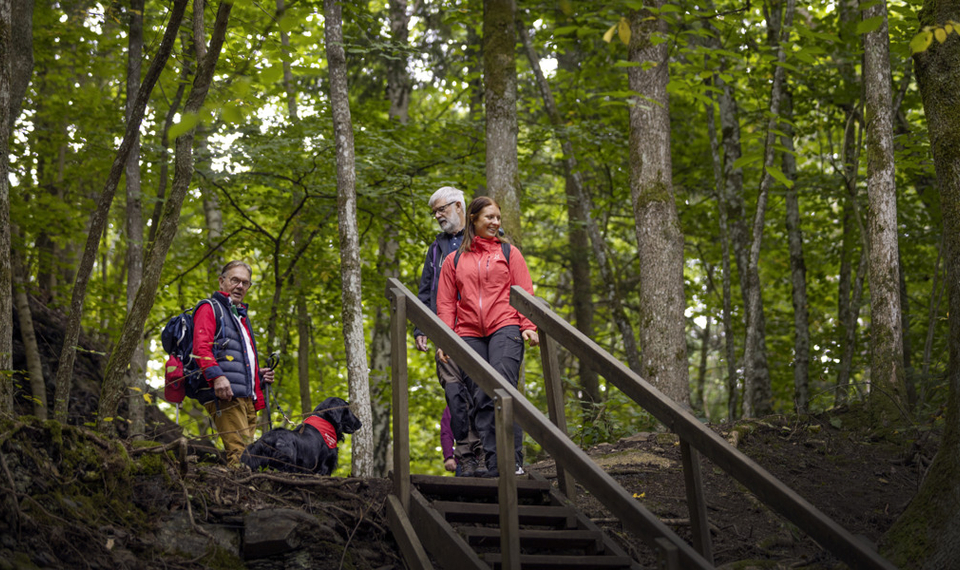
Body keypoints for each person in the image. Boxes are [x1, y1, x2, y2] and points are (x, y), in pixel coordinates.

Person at [436, 196, 539, 478]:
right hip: (468, 332)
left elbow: (524, 291)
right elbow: (445, 304)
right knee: (481, 396)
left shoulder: (509, 253)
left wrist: (528, 324)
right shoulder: (453, 260)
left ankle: (512, 461)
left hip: (504, 325)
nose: (495, 223)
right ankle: (494, 464)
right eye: (489, 217)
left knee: (502, 389)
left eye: (497, 217)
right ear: (473, 219)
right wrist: (445, 339)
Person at [414, 186, 486, 477]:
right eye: (434, 212)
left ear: (458, 206)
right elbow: (425, 291)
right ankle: (466, 457)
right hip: (446, 334)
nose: (437, 216)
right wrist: (422, 327)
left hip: (480, 332)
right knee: (455, 397)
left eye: (441, 209)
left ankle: (485, 457)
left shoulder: (482, 238)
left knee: (480, 395)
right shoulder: (436, 248)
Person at [193, 260, 276, 467]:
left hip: (247, 397)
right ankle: (243, 497)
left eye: (245, 283)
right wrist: (218, 377)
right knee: (240, 455)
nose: (240, 286)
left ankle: (244, 495)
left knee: (248, 455)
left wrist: (259, 376)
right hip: (225, 394)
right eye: (235, 280)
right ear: (222, 282)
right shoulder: (209, 308)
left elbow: (240, 361)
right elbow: (201, 348)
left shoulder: (241, 317)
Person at [440, 407, 457, 474]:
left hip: (489, 458)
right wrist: (449, 456)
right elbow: (446, 432)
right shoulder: (454, 402)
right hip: (464, 461)